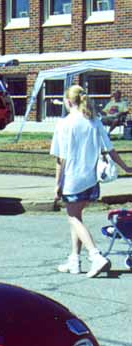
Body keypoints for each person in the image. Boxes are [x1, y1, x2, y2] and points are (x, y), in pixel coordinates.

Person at [51, 85, 132, 277]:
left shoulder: (64, 124)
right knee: (77, 218)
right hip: (91, 180)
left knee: (73, 218)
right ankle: (74, 260)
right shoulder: (94, 122)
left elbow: (60, 159)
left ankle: (96, 256)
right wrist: (126, 167)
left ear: (68, 101)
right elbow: (110, 149)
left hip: (72, 179)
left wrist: (56, 185)